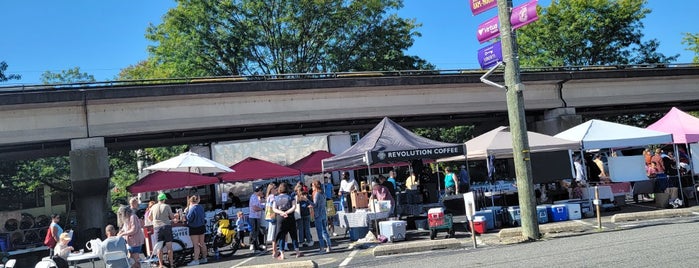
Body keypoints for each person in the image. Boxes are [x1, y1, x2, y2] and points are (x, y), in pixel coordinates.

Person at [272, 182, 302, 260]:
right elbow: (294, 207)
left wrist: (282, 212)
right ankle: (297, 252)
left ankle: (282, 254)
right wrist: (287, 212)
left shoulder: (276, 198)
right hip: (290, 216)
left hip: (280, 218)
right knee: (293, 234)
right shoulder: (290, 197)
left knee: (282, 236)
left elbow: (274, 208)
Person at [148, 193, 175, 268]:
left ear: (158, 199)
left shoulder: (153, 207)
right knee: (169, 246)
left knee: (159, 248)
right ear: (164, 199)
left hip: (157, 228)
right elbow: (172, 217)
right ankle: (171, 264)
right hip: (166, 226)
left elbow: (149, 217)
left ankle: (160, 264)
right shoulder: (166, 206)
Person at [309, 180, 332, 254]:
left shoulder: (317, 194)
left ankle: (322, 247)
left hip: (318, 214)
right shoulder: (323, 193)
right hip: (323, 213)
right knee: (324, 230)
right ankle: (329, 246)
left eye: (312, 185)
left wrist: (307, 201)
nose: (312, 187)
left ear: (315, 186)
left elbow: (315, 204)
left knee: (320, 232)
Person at [185, 195, 207, 266]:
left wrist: (186, 214)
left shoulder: (192, 208)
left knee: (196, 245)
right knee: (202, 243)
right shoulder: (201, 207)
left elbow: (189, 218)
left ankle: (196, 260)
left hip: (194, 227)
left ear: (190, 201)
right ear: (198, 200)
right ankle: (204, 258)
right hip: (202, 226)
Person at [248, 186, 266, 252]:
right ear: (259, 191)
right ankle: (255, 248)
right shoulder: (254, 198)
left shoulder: (255, 197)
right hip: (254, 217)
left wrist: (263, 206)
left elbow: (258, 205)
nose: (261, 192)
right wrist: (262, 208)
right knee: (255, 232)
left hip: (256, 217)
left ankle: (256, 247)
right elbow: (255, 208)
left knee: (256, 232)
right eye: (261, 191)